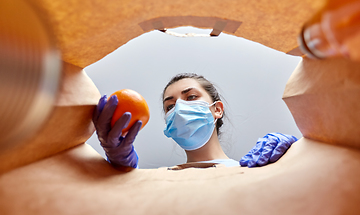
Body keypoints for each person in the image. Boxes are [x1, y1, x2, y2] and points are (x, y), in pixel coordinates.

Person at [92, 73, 297, 169]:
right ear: (168, 125)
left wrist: (295, 154)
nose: (179, 108)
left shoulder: (252, 171)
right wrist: (119, 165)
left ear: (217, 110)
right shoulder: (161, 180)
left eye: (191, 97)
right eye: (170, 107)